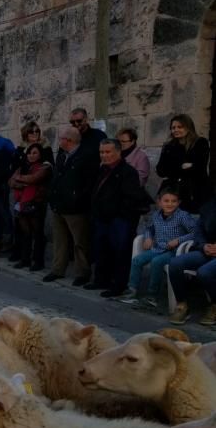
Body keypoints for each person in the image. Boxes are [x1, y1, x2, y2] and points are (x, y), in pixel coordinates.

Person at [86, 139, 151, 298]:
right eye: (102, 152)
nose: (104, 155)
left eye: (108, 152)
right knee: (102, 249)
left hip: (120, 220)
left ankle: (118, 285)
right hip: (102, 218)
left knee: (120, 252)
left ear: (117, 152)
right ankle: (101, 280)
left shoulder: (128, 172)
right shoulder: (102, 170)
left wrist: (115, 213)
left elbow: (130, 197)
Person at [121, 188, 195, 308]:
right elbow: (149, 228)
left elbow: (195, 232)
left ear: (179, 202)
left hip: (173, 251)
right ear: (159, 202)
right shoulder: (156, 215)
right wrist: (148, 237)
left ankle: (152, 296)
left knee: (157, 262)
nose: (170, 204)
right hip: (157, 248)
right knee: (137, 260)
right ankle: (131, 291)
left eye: (173, 201)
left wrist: (178, 240)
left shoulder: (183, 216)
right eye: (166, 201)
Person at [44, 126, 97, 286]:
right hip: (59, 204)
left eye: (61, 138)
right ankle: (57, 269)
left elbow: (88, 183)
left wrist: (77, 199)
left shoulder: (86, 156)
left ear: (69, 140)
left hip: (76, 207)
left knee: (79, 241)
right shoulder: (61, 156)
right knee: (60, 240)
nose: (59, 141)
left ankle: (82, 272)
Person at [168, 197, 216, 325]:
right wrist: (204, 246)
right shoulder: (209, 207)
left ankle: (214, 305)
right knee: (175, 264)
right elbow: (198, 232)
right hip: (207, 250)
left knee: (204, 272)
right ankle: (182, 304)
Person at [8, 144, 52, 271]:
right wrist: (22, 182)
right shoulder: (23, 167)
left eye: (34, 153)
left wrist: (19, 180)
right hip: (22, 202)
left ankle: (38, 261)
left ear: (40, 154)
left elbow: (34, 179)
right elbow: (11, 182)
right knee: (25, 233)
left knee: (37, 234)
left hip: (37, 203)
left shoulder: (45, 166)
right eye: (29, 153)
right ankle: (25, 259)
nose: (31, 156)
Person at [155, 114, 211, 213]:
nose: (175, 130)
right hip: (172, 194)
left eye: (180, 127)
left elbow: (199, 168)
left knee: (192, 225)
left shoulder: (200, 143)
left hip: (194, 193)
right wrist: (183, 166)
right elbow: (160, 170)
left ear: (188, 127)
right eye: (173, 128)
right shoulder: (169, 146)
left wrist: (172, 170)